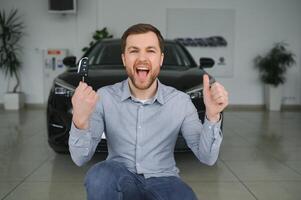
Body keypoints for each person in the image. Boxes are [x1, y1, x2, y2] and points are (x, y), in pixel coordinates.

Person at [69, 23, 228, 200]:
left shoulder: (180, 101)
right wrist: (80, 121)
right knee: (99, 175)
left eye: (150, 51)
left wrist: (212, 117)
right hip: (119, 177)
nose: (142, 58)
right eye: (134, 51)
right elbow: (80, 158)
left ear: (160, 58)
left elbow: (207, 158)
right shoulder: (104, 97)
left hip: (164, 179)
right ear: (124, 59)